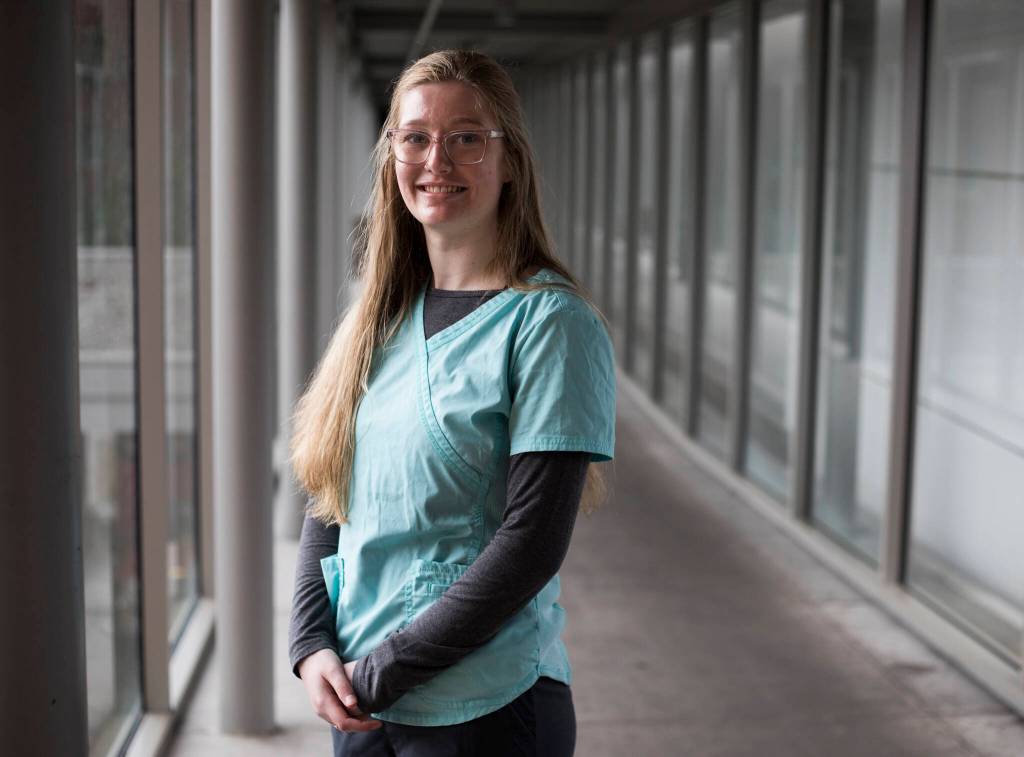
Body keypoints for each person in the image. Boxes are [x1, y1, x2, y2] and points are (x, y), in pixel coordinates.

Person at [287, 49, 616, 757]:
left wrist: (380, 672)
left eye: (467, 137)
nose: (437, 157)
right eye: (415, 137)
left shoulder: (549, 324)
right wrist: (312, 642)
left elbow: (529, 545)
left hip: (484, 709)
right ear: (392, 157)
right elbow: (329, 493)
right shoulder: (378, 319)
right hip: (366, 703)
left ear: (508, 162)